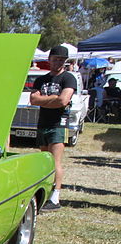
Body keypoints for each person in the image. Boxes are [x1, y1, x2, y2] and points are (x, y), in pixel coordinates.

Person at [29, 45, 76, 212]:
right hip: (43, 123)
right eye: (55, 59)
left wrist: (46, 99)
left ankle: (55, 197)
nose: (58, 62)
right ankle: (46, 192)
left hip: (58, 124)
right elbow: (33, 100)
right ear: (49, 59)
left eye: (61, 60)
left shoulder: (68, 78)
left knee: (55, 161)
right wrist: (54, 99)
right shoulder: (41, 80)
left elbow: (63, 101)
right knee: (45, 160)